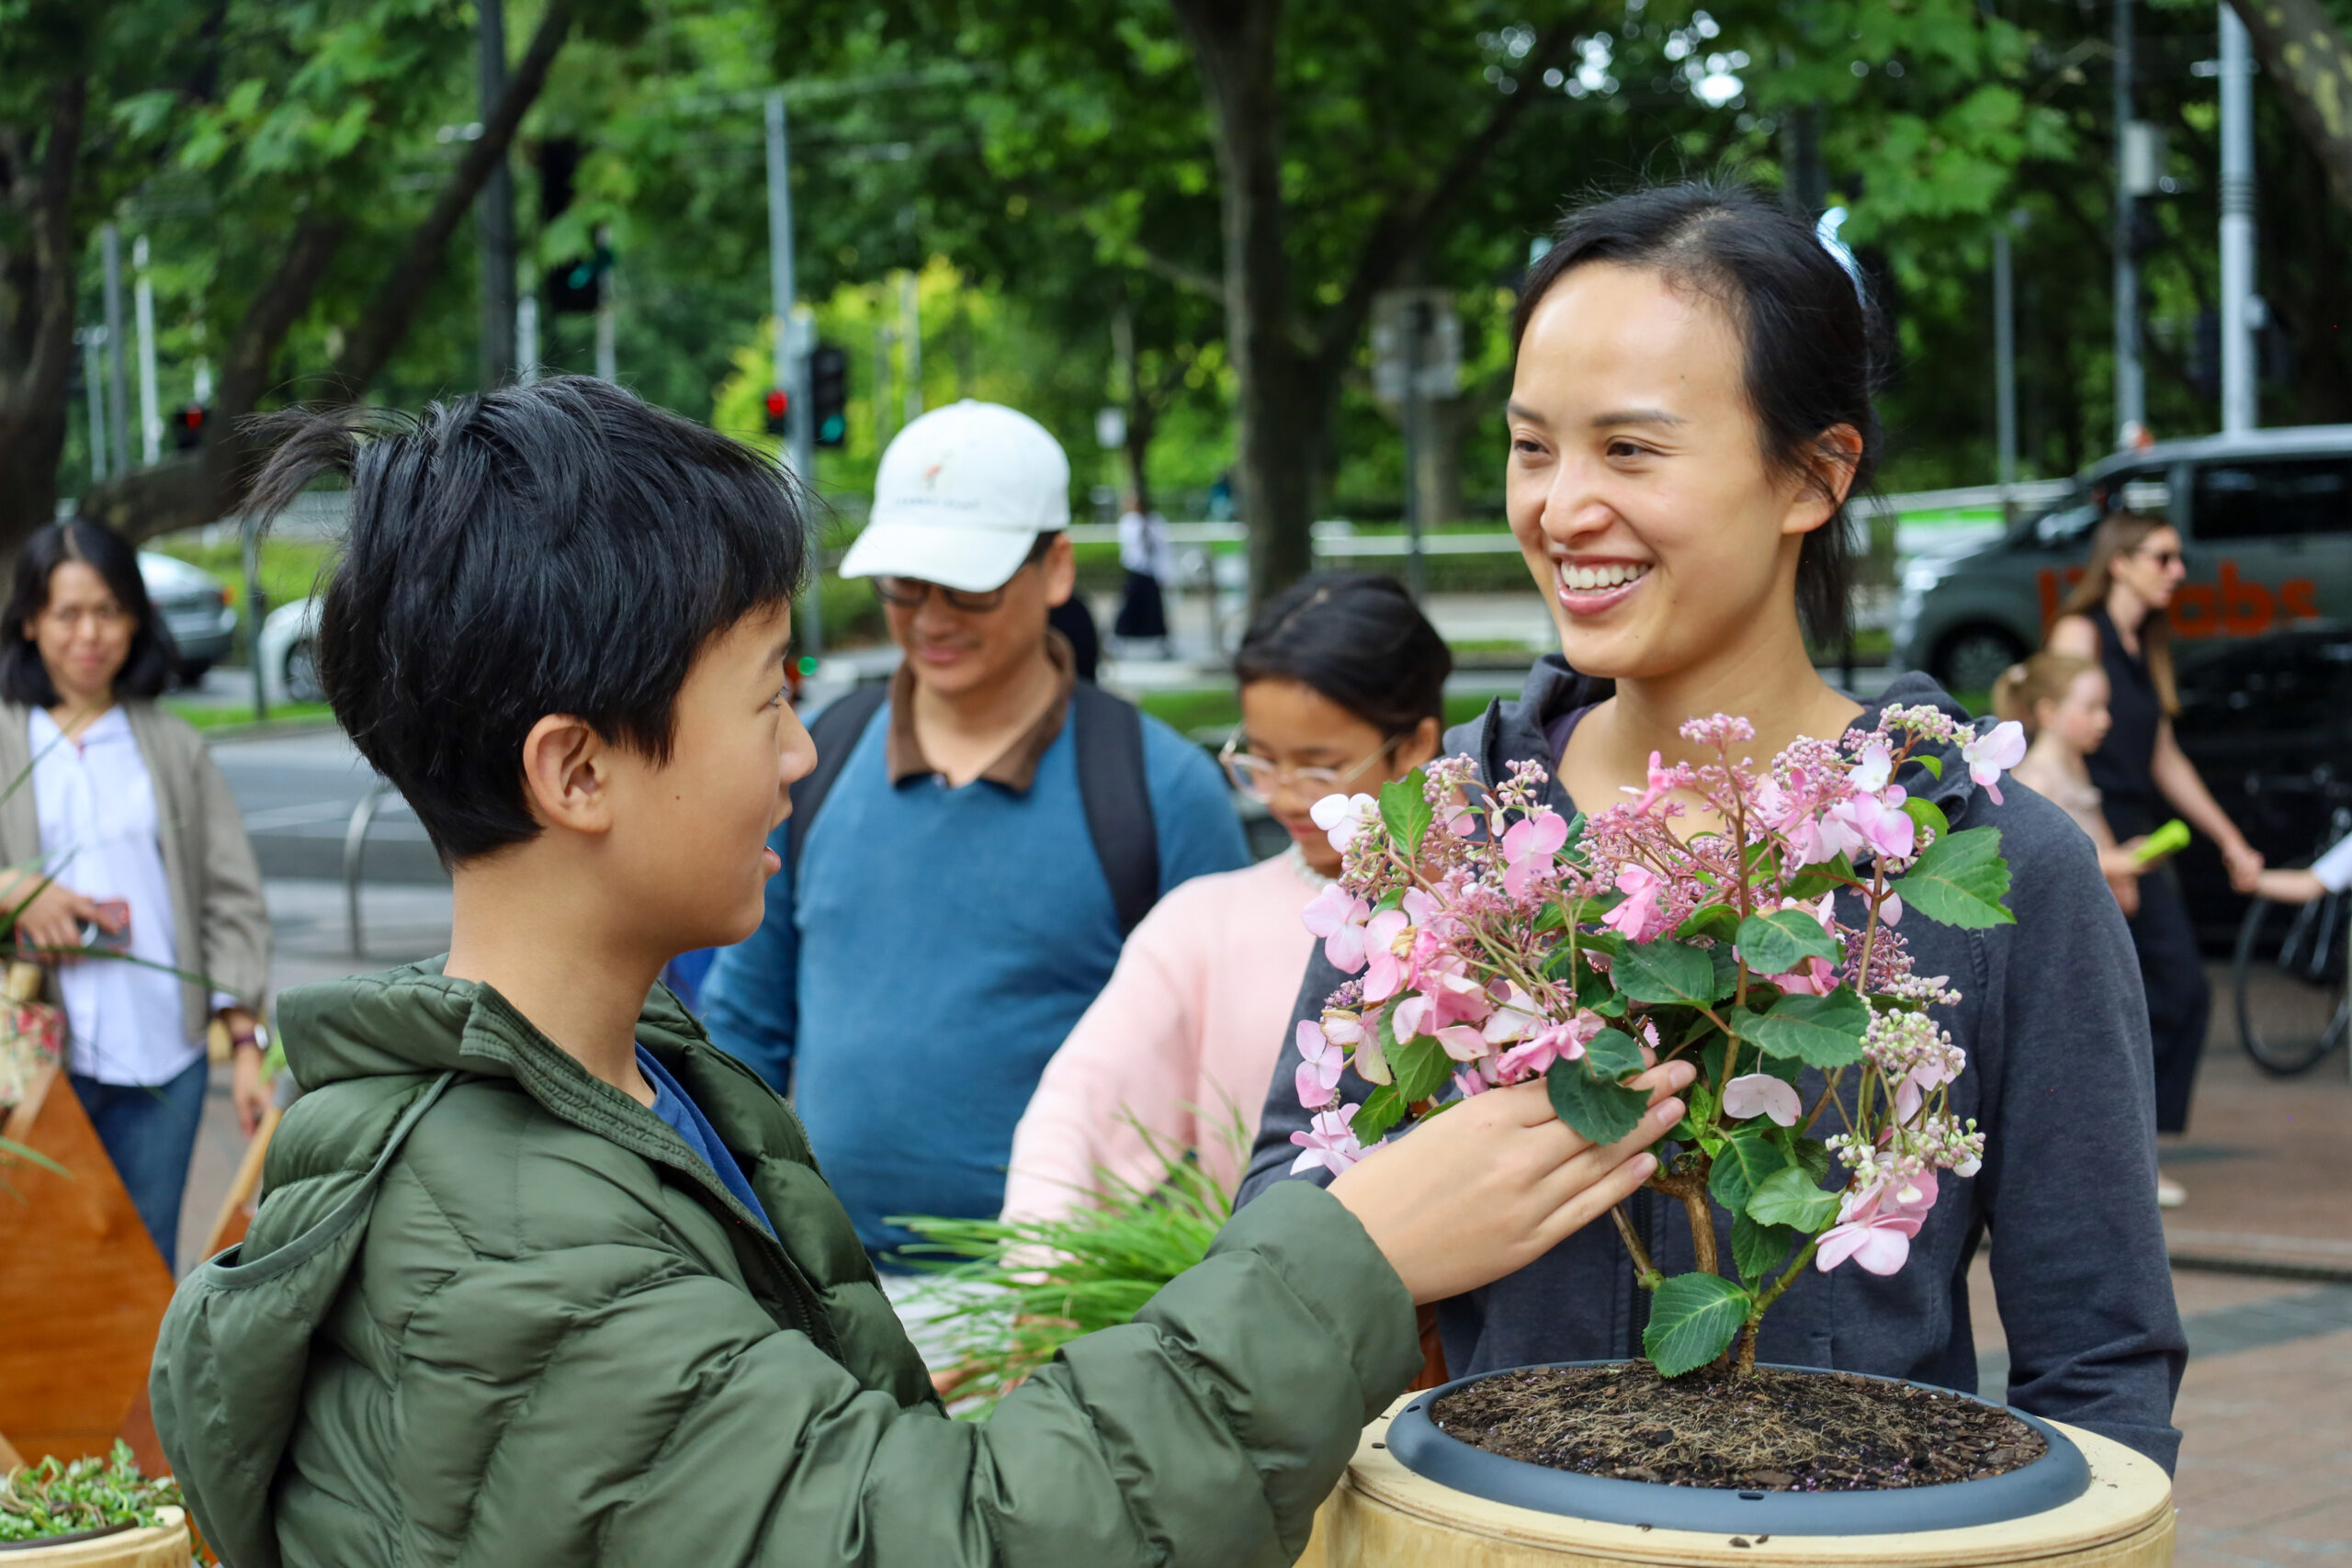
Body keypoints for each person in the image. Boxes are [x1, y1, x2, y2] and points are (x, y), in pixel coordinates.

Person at [150, 376, 1696, 1568]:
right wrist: (1349, 1250)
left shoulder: (634, 1087)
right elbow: (940, 1537)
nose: (799, 751)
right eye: (763, 695)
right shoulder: (515, 1251)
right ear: (577, 771)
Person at [1239, 181, 2187, 1471]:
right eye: (1532, 447)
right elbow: (1283, 1231)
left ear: (1814, 473)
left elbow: (2102, 1366)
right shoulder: (1445, 834)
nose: (1563, 508)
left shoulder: (1997, 862)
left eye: (1630, 449)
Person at [699, 400, 1249, 1275]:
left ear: (1056, 567)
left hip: (1072, 1296)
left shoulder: (1160, 789)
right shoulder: (820, 757)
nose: (931, 618)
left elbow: (1230, 1082)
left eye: (970, 587)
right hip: (830, 1283)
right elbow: (742, 1029)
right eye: (903, 587)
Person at [1001, 572, 1449, 1224]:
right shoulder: (1201, 923)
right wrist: (1040, 1267)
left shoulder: (1497, 918)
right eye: (1261, 760)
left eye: (1321, 766)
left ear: (1416, 744)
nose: (1286, 794)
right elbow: (1077, 1112)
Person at [0, 519, 271, 1269]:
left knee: (141, 1273)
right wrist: (13, 889)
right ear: (30, 620)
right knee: (40, 1281)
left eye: (110, 610)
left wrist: (245, 1046)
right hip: (32, 1063)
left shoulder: (174, 747)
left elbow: (231, 900)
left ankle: (141, 1398)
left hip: (165, 1061)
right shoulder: (7, 740)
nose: (90, 633)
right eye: (67, 613)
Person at [2047, 513, 2263, 1158]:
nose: (2177, 571)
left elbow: (2165, 758)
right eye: (2163, 557)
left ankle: (2138, 1146)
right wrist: (2105, 854)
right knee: (2110, 998)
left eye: (2178, 559)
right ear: (2120, 561)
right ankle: (2111, 1149)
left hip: (2137, 836)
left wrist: (2230, 838)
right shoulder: (2080, 632)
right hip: (2089, 829)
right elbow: (2057, 740)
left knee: (2177, 990)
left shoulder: (2148, 648)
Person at [1994, 652, 2150, 915]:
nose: (2105, 720)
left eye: (2105, 707)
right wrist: (2116, 863)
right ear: (2049, 712)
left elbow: (2098, 843)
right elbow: (2044, 862)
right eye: (2091, 708)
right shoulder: (2035, 780)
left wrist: (2122, 858)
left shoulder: (2077, 766)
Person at [1113, 491, 1175, 657]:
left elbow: (1162, 547)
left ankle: (1162, 641)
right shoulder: (1129, 523)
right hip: (1136, 570)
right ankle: (1121, 638)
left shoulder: (1154, 521)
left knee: (1154, 608)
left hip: (1151, 571)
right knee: (1130, 606)